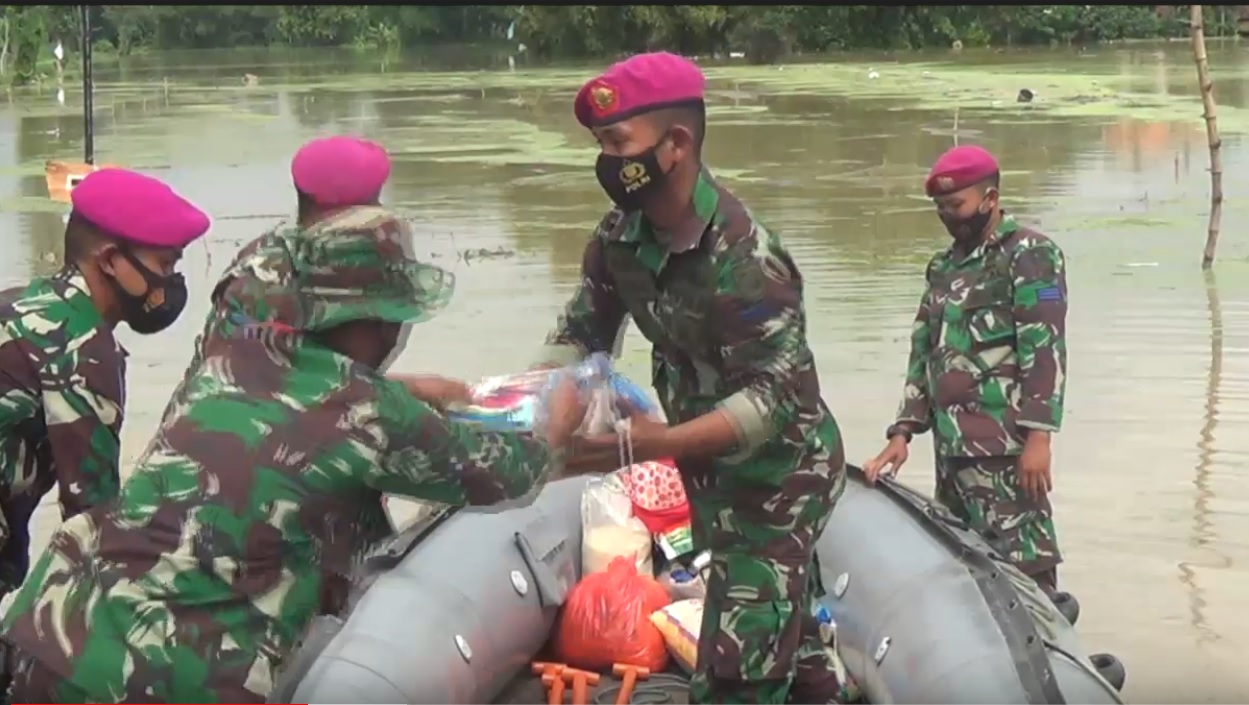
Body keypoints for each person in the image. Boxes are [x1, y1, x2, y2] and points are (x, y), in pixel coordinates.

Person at [0, 142, 582, 703]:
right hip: (159, 683)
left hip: (38, 645)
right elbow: (508, 476)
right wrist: (558, 419)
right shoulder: (372, 410)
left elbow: (293, 408)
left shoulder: (231, 359)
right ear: (377, 320)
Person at [539, 52, 850, 705]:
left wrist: (651, 443)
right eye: (599, 145)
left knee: (733, 674)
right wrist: (533, 399)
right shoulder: (619, 237)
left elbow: (771, 399)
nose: (605, 161)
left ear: (674, 145)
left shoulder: (746, 257)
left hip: (778, 478)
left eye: (617, 144)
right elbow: (581, 332)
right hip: (704, 471)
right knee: (781, 640)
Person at [863, 144, 1067, 592]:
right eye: (940, 208)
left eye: (956, 205)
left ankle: (1053, 651)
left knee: (1027, 569)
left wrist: (1039, 437)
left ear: (990, 199)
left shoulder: (1028, 255)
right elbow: (923, 351)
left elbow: (1044, 349)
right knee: (965, 568)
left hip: (1007, 448)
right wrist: (902, 432)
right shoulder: (942, 267)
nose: (947, 215)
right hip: (952, 449)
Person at [0, 168, 208, 600]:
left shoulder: (18, 303)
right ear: (111, 261)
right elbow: (92, 523)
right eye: (164, 264)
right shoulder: (84, 350)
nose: (170, 284)